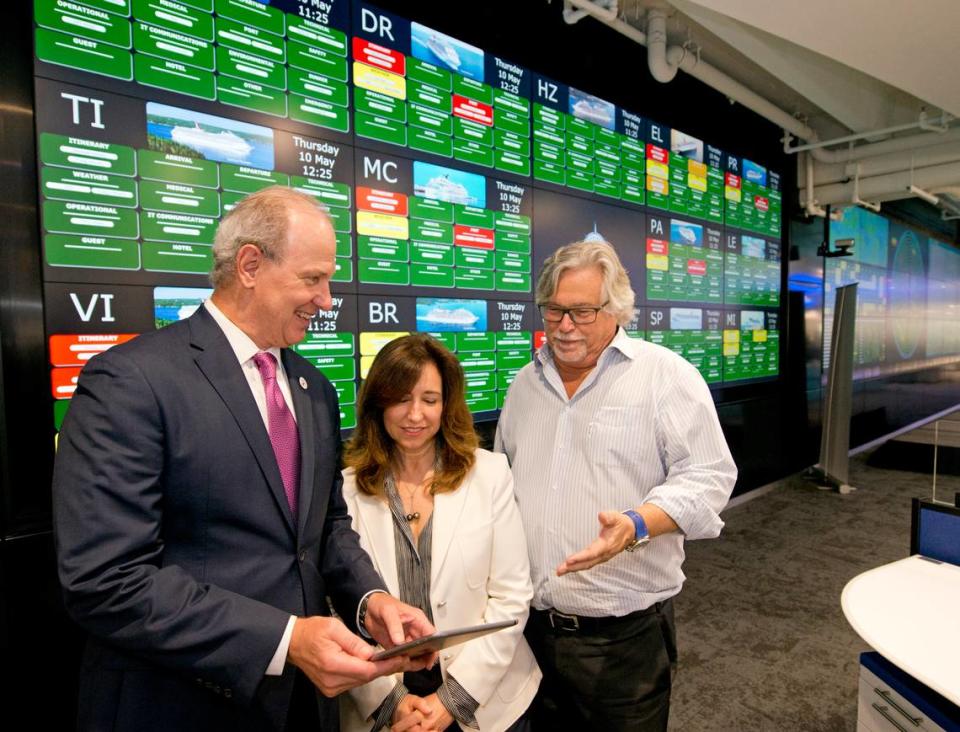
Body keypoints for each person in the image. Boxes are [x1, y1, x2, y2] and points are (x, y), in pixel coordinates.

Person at [52, 186, 435, 732]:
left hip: (304, 708)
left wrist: (370, 600)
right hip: (180, 705)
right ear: (250, 264)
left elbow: (324, 528)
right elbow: (106, 579)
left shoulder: (315, 389)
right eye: (312, 278)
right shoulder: (132, 381)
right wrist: (284, 640)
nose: (327, 301)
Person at [494, 240, 738, 731]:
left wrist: (636, 524)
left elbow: (711, 476)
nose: (565, 326)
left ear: (616, 309)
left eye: (582, 312)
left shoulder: (663, 377)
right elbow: (501, 479)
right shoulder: (524, 384)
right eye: (555, 310)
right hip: (530, 635)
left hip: (622, 646)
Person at [339, 334, 540, 732]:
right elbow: (338, 609)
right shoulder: (344, 491)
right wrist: (392, 703)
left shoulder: (490, 474)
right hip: (385, 706)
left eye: (429, 400)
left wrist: (451, 701)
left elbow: (512, 599)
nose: (415, 414)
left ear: (446, 404)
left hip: (487, 702)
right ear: (379, 403)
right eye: (400, 399)